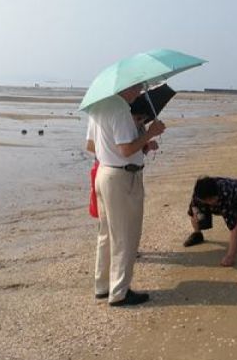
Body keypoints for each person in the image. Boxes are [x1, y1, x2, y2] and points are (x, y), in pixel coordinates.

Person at [85, 83, 164, 306]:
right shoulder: (120, 110)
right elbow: (126, 150)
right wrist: (150, 133)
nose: (139, 93)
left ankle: (102, 286)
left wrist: (142, 145)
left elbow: (91, 146)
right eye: (138, 88)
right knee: (125, 237)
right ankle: (119, 291)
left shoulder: (97, 107)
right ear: (127, 87)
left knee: (107, 235)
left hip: (104, 173)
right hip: (122, 178)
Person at [184, 176, 237, 267]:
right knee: (196, 213)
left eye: (211, 200)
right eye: (206, 200)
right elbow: (193, 209)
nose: (209, 202)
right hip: (213, 196)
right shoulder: (199, 194)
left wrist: (230, 256)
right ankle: (197, 234)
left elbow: (234, 228)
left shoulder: (225, 196)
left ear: (216, 196)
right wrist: (198, 214)